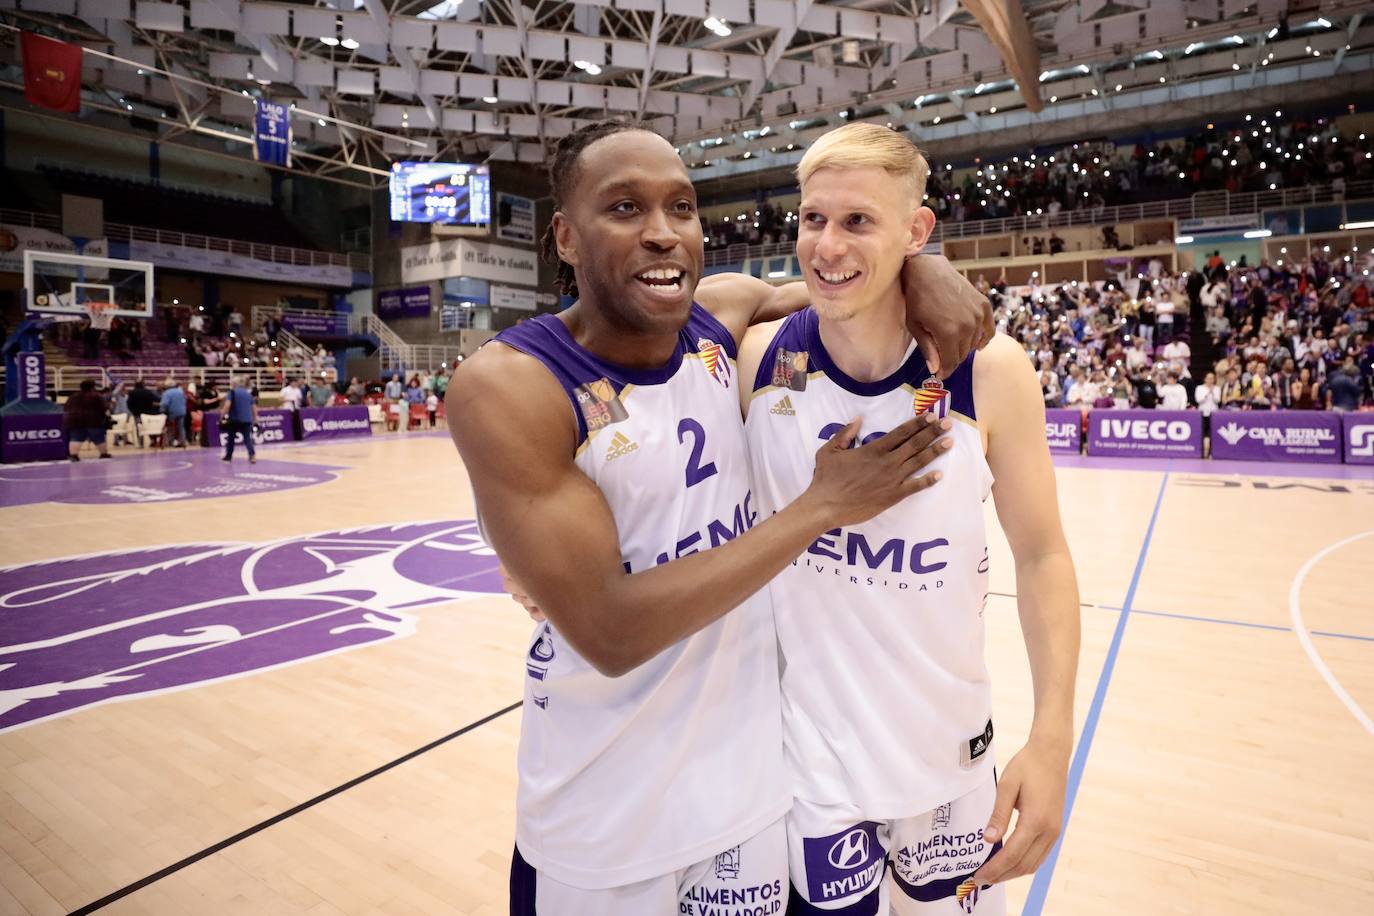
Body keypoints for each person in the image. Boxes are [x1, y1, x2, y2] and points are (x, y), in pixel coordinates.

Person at [448, 120, 993, 916]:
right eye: (626, 208)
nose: (663, 233)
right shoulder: (511, 384)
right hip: (603, 815)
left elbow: (843, 278)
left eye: (682, 207)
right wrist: (822, 507)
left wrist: (925, 262)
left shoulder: (719, 318)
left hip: (750, 803)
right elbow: (610, 632)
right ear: (565, 236)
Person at [736, 121, 1078, 915]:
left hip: (949, 760)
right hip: (809, 768)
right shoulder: (758, 360)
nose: (827, 245)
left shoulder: (989, 373)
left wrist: (1053, 739)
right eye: (813, 219)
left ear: (916, 231)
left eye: (858, 221)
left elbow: (1043, 557)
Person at [63, 378, 112, 461]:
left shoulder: (73, 396)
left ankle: (74, 455)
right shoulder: (96, 396)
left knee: (75, 438)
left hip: (75, 421)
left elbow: (66, 407)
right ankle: (103, 454)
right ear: (92, 387)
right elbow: (104, 408)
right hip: (93, 421)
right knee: (99, 437)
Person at [221, 376, 258, 463]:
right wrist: (255, 418)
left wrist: (222, 415)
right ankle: (252, 455)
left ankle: (228, 456)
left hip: (235, 419)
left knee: (231, 438)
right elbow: (254, 407)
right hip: (247, 419)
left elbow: (227, 405)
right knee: (247, 438)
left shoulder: (232, 392)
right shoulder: (248, 394)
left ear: (234, 384)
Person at [159, 380, 189, 448]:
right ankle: (183, 442)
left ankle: (170, 442)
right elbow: (185, 400)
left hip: (172, 412)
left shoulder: (167, 393)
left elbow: (164, 403)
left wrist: (162, 411)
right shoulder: (180, 391)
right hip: (182, 411)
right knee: (181, 427)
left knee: (170, 428)